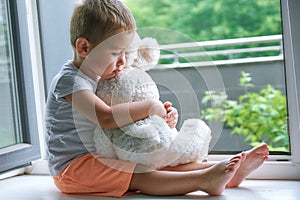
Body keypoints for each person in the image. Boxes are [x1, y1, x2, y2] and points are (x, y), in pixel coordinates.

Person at [45, 0, 269, 197]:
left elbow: (124, 114)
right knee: (140, 174)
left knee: (155, 164)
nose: (123, 62)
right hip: (73, 168)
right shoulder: (70, 81)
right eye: (115, 54)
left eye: (126, 53)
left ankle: (226, 171)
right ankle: (205, 180)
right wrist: (150, 107)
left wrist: (158, 120)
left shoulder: (103, 77)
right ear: (84, 47)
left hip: (101, 155)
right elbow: (106, 118)